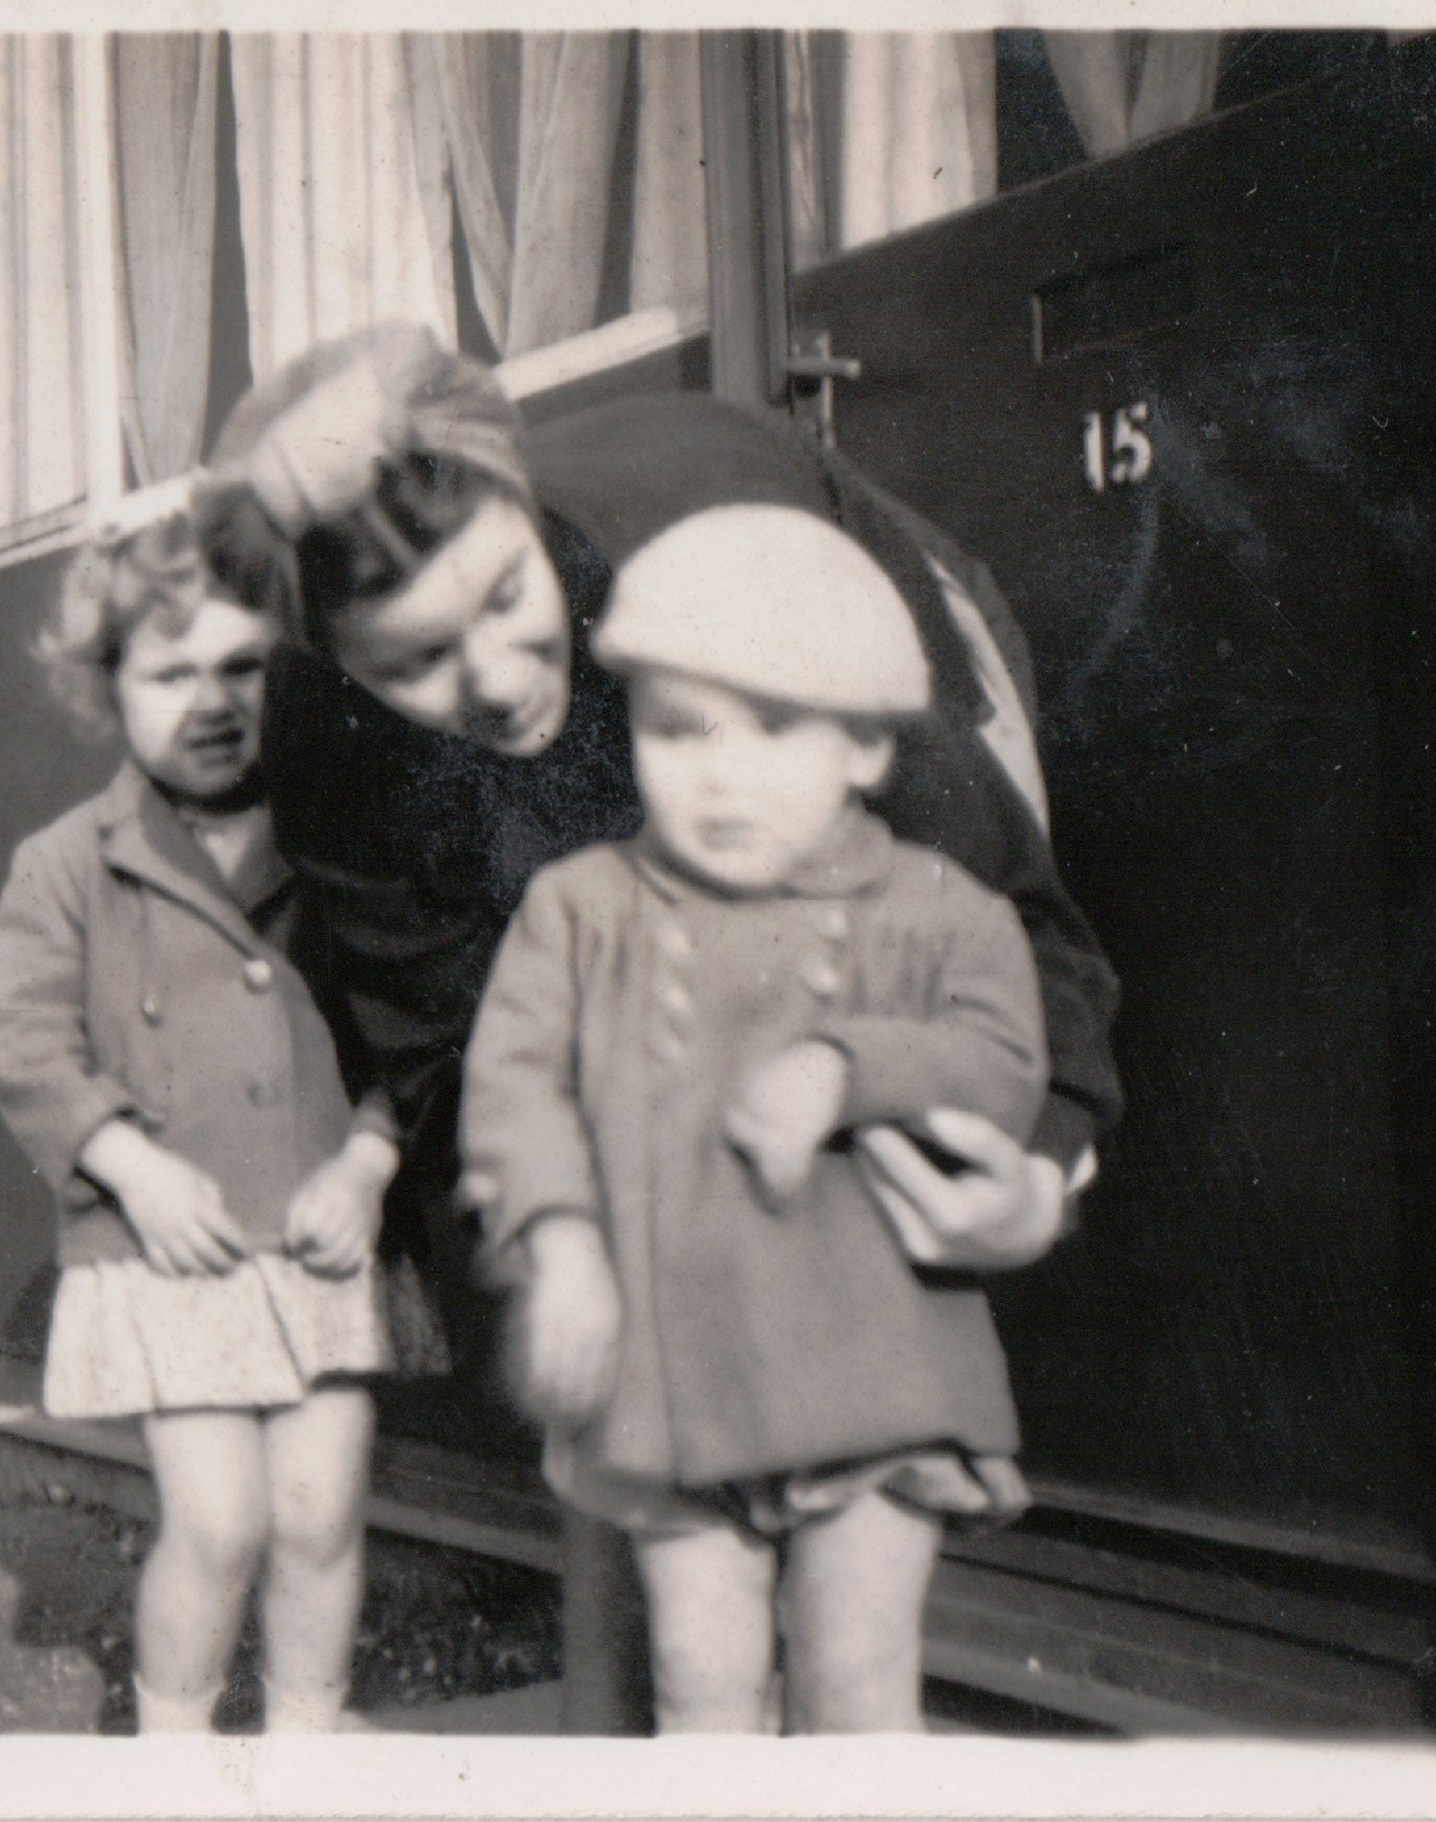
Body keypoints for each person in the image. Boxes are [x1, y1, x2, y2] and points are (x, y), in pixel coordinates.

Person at [190, 321, 1122, 1729]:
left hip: (825, 595)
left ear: (519, 498)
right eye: (416, 661)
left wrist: (1041, 1164)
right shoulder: (328, 752)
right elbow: (457, 1063)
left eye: (504, 595)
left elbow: (1008, 922)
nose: (496, 679)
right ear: (339, 664)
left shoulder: (738, 571)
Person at [460, 503, 1050, 1732]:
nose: (720, 771)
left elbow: (1003, 1062)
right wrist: (559, 1240)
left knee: (854, 1672)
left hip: (878, 1378)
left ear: (867, 751)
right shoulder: (583, 909)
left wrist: (849, 1067)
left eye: (774, 726)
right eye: (680, 729)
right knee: (702, 1676)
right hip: (672, 1387)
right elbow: (514, 1085)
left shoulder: (940, 911)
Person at [0, 508, 421, 1735]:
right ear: (106, 688)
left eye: (245, 667)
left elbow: (414, 1031)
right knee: (221, 1520)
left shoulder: (343, 845)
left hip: (318, 1230)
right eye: (172, 671)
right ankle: (173, 1761)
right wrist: (133, 1169)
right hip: (175, 1241)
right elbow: (19, 1044)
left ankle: (304, 1749)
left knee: (324, 1508)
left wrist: (372, 1166)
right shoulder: (70, 862)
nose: (213, 700)